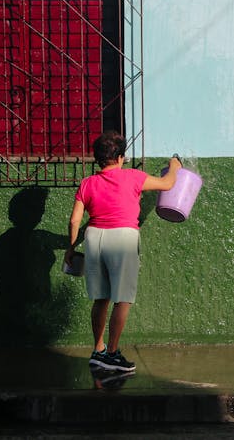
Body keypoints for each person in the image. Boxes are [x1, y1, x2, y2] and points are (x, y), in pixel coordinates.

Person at [64, 131, 181, 372]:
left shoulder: (87, 183)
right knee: (123, 299)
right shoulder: (133, 177)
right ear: (119, 158)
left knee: (101, 298)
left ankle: (98, 350)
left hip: (94, 237)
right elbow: (168, 184)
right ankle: (113, 355)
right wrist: (174, 165)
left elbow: (75, 221)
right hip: (123, 238)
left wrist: (71, 247)